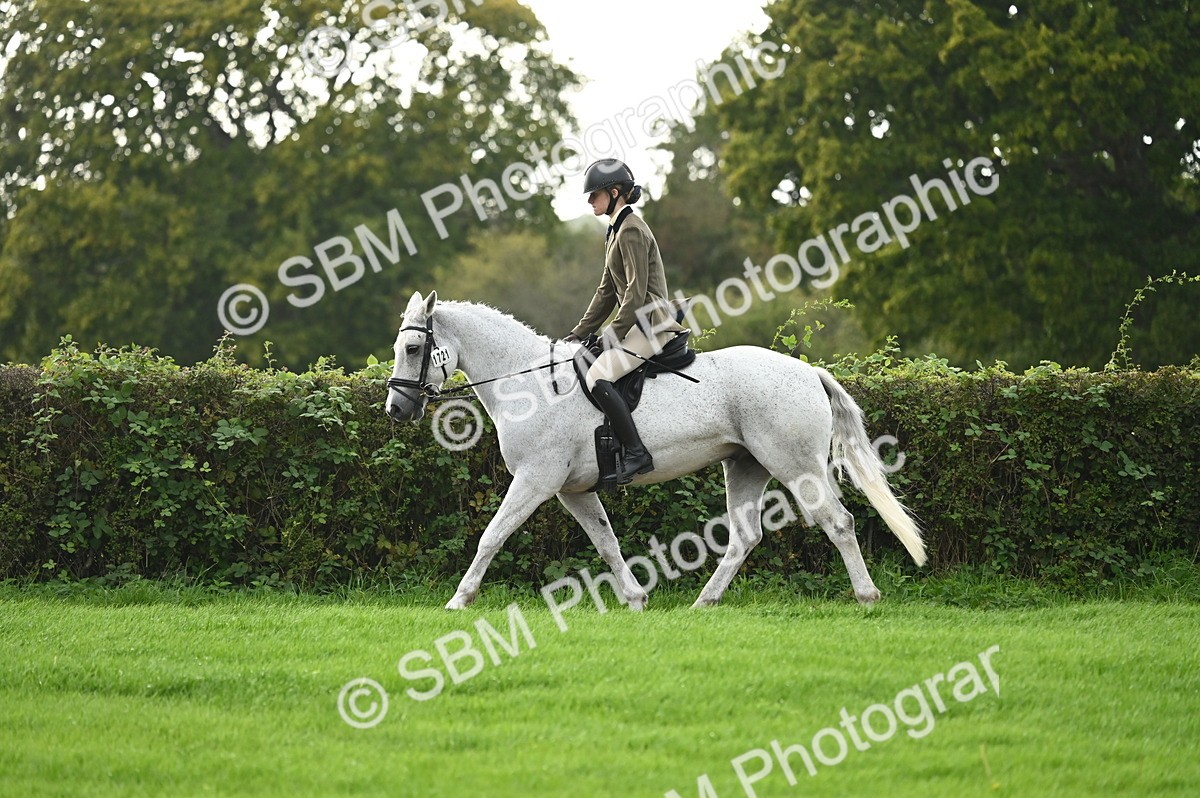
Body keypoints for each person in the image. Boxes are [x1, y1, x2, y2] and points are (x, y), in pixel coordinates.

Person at [564, 158, 686, 484]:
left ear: (614, 192)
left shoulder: (631, 230)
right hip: (637, 322)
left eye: (595, 194)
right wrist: (578, 333)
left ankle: (636, 452)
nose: (590, 200)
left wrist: (610, 336)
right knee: (582, 358)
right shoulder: (615, 229)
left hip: (651, 323)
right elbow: (606, 291)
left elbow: (635, 292)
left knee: (598, 376)